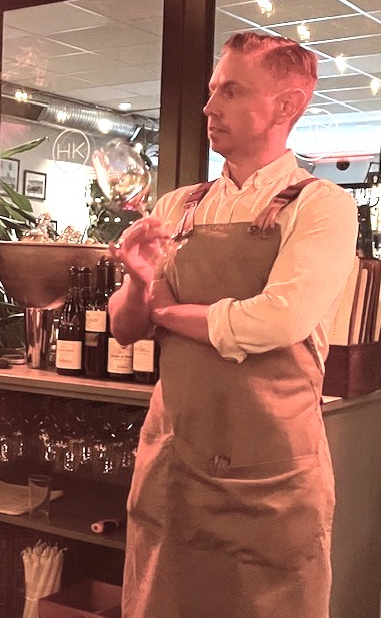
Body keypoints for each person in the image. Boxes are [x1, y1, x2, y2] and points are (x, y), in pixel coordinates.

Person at [108, 32, 358, 618]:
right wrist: (139, 283)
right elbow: (123, 327)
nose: (209, 106)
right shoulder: (177, 207)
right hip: (174, 461)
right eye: (212, 89)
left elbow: (277, 319)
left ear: (287, 105)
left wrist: (167, 311)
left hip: (270, 477)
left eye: (231, 91)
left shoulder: (321, 205)